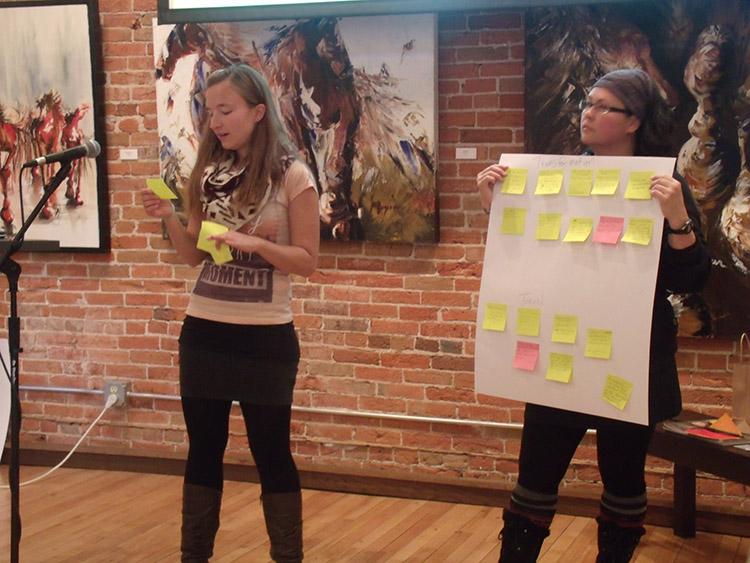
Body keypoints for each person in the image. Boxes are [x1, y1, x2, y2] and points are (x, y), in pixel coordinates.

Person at [475, 69, 711, 562]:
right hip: (563, 349)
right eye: (588, 102)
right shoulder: (555, 179)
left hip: (628, 356)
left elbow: (690, 279)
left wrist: (676, 220)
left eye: (605, 106)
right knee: (534, 475)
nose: (589, 112)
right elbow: (527, 259)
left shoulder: (662, 184)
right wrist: (496, 206)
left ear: (633, 122)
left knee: (624, 477)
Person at [141, 63, 319, 563]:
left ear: (258, 112)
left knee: (271, 453)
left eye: (226, 110)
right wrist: (172, 219)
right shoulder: (207, 171)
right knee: (203, 449)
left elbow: (307, 262)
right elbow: (195, 257)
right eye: (208, 110)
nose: (215, 121)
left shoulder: (293, 176)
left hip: (265, 337)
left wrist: (248, 242)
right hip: (204, 333)